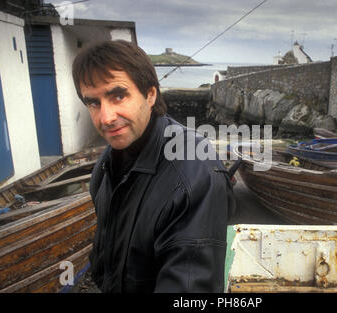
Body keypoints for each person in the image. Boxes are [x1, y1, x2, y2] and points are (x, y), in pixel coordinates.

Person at [72, 40, 235, 293]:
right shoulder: (106, 166)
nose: (106, 117)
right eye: (93, 102)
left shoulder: (193, 175)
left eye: (118, 96)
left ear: (150, 94)